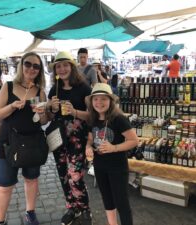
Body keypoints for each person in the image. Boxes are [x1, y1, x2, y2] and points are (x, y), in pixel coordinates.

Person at [0, 52, 48, 225]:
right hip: (8, 143)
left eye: (36, 66)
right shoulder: (8, 86)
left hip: (32, 142)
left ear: (39, 70)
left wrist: (42, 113)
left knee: (31, 179)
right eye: (28, 64)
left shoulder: (40, 91)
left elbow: (44, 121)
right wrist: (12, 106)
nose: (31, 68)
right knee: (5, 184)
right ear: (21, 65)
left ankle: (30, 212)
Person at [47, 51, 92, 225]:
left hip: (77, 138)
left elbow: (92, 115)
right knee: (63, 174)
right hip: (59, 139)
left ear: (72, 67)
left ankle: (85, 208)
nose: (62, 68)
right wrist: (51, 108)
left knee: (76, 175)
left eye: (66, 65)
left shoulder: (83, 87)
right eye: (59, 66)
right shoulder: (54, 89)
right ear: (55, 70)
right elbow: (50, 117)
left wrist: (74, 112)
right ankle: (72, 207)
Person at [85, 83, 139, 225]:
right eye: (96, 99)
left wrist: (114, 148)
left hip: (117, 167)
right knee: (107, 199)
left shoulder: (118, 119)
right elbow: (90, 139)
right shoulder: (93, 118)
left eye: (104, 99)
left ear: (110, 101)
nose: (99, 103)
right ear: (91, 102)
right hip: (99, 165)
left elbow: (134, 140)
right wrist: (88, 147)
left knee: (121, 202)